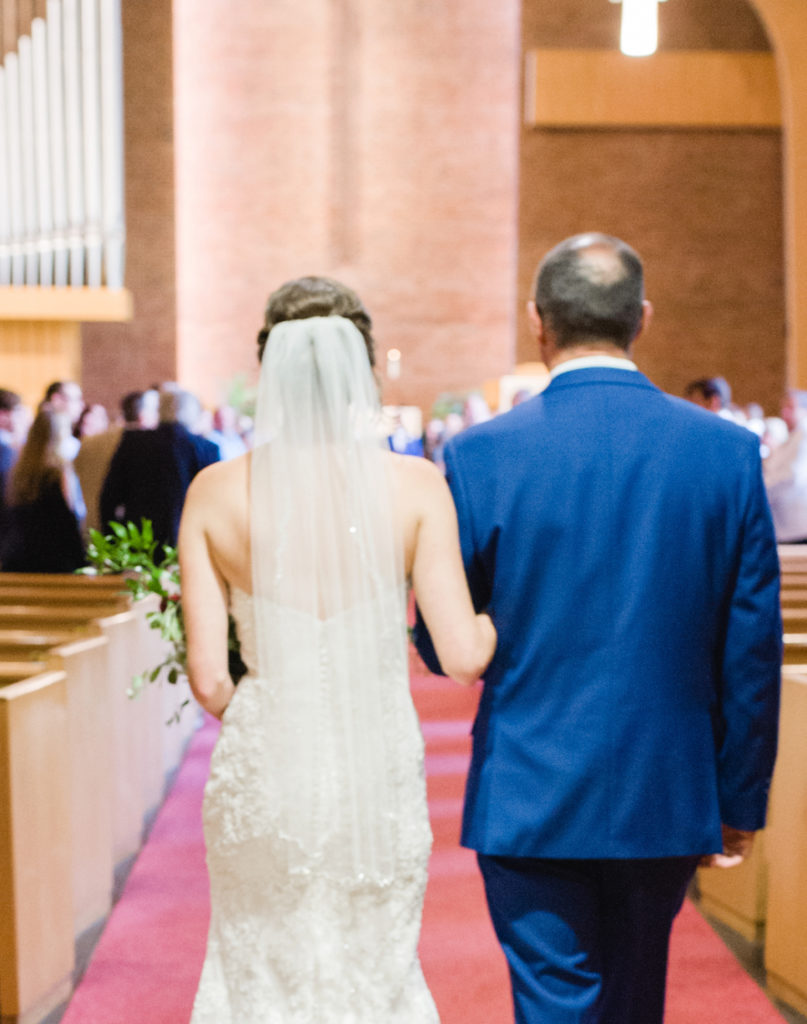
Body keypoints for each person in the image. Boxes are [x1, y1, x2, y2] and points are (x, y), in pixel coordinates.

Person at [414, 232, 782, 1024]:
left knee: (553, 1003)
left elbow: (440, 642)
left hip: (528, 784)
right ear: (641, 318)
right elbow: (749, 646)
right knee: (634, 998)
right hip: (666, 784)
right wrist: (739, 795)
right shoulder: (724, 452)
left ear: (536, 321)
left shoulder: (480, 454)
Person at [178, 275, 496, 1023]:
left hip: (264, 760)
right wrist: (507, 615)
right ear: (363, 367)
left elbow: (209, 679)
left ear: (269, 368)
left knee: (257, 967)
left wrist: (271, 705)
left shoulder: (215, 491)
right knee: (373, 966)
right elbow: (462, 656)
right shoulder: (414, 486)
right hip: (373, 758)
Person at [100, 387, 219, 550]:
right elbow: (213, 503)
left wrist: (113, 541)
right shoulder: (206, 449)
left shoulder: (133, 443)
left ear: (159, 409)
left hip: (139, 541)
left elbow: (109, 497)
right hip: (189, 542)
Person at [0, 406, 85, 572]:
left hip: (19, 556)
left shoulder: (18, 472)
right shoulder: (58, 473)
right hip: (54, 557)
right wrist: (81, 559)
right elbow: (68, 518)